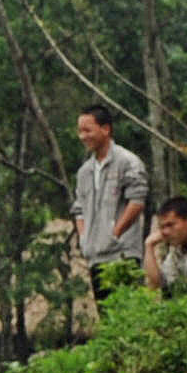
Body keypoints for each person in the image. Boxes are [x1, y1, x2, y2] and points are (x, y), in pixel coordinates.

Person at [65, 106, 151, 283]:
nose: (83, 136)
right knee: (105, 311)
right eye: (80, 131)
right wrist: (84, 238)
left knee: (127, 308)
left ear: (106, 129)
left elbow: (137, 201)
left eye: (88, 130)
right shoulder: (84, 171)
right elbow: (79, 209)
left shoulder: (127, 162)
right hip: (95, 258)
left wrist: (115, 233)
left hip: (123, 255)